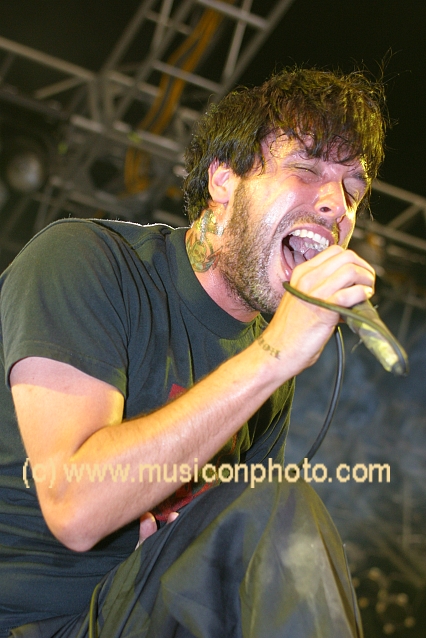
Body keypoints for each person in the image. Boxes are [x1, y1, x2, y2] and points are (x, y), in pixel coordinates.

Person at [0, 66, 386, 637]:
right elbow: (75, 506)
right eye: (306, 169)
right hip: (32, 621)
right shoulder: (85, 261)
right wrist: (275, 354)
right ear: (223, 180)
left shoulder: (269, 378)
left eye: (352, 191)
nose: (335, 204)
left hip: (141, 614)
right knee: (276, 504)